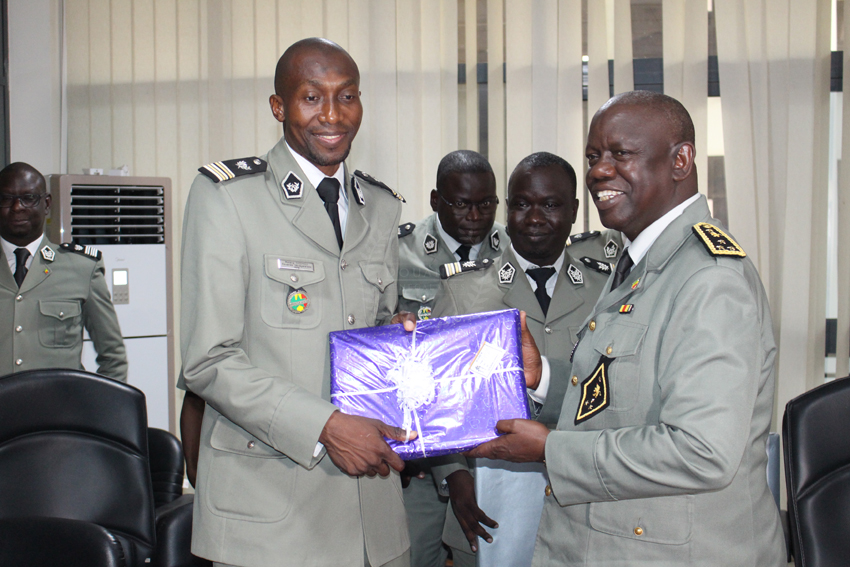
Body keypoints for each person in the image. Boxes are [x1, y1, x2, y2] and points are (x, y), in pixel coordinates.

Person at [466, 91, 786, 566]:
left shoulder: (710, 278)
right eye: (595, 155)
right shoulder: (641, 260)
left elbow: (701, 451)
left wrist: (552, 450)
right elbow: (623, 399)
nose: (599, 170)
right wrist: (545, 380)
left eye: (621, 153)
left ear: (681, 160)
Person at [180, 38, 415, 567]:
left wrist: (399, 338)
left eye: (347, 96)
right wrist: (325, 426)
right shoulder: (228, 197)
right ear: (279, 107)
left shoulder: (378, 205)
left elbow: (369, 328)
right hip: (271, 516)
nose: (332, 115)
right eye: (312, 97)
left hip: (374, 516)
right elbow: (207, 360)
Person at [429, 152, 620, 567]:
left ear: (573, 211)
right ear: (508, 209)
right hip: (484, 501)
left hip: (578, 500)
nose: (534, 217)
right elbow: (437, 400)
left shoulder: (605, 290)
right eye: (521, 204)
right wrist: (454, 476)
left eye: (550, 205)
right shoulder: (465, 291)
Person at [397, 149, 508, 567]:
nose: (475, 215)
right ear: (435, 200)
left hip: (490, 457)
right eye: (461, 203)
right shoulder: (400, 252)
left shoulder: (514, 251)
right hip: (420, 463)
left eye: (486, 204)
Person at [0, 162, 127, 381]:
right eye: (6, 199)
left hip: (59, 411)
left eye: (29, 198)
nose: (17, 207)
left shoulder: (81, 268)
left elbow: (113, 355)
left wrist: (99, 410)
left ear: (47, 204)